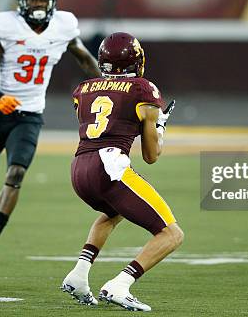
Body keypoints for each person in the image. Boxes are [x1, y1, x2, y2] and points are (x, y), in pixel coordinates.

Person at [0, 0, 100, 269]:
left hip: (30, 117)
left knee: (15, 174)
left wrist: (106, 84)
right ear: (22, 3)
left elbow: (83, 57)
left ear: (52, 2)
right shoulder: (6, 27)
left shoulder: (63, 26)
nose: (38, 5)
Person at [61, 32, 184, 311]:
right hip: (109, 166)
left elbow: (106, 120)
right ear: (136, 61)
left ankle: (79, 274)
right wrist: (159, 127)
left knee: (111, 214)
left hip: (80, 168)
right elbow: (151, 156)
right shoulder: (143, 90)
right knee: (171, 234)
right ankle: (120, 284)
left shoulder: (84, 88)